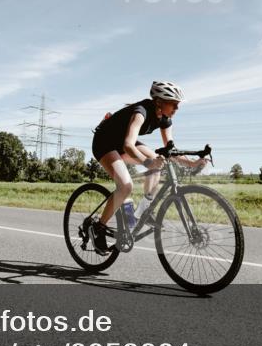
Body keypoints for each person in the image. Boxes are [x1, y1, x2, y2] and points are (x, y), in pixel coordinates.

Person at [89, 81, 207, 253]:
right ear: (159, 102)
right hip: (105, 141)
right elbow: (129, 145)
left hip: (121, 143)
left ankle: (145, 209)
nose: (177, 108)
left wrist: (192, 163)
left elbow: (170, 150)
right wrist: (147, 163)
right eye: (173, 104)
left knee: (158, 159)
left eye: (178, 104)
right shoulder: (141, 112)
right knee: (126, 186)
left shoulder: (165, 119)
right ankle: (98, 227)